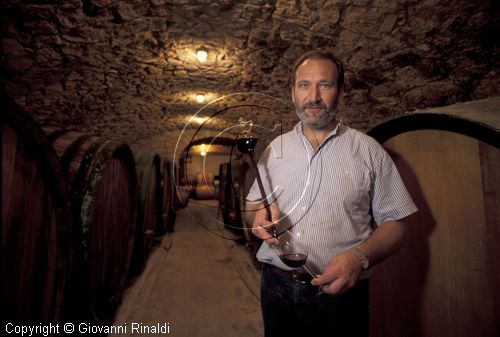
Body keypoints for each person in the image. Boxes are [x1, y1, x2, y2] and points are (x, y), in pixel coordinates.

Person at [245, 50, 418, 337]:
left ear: (341, 93)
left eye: (324, 85)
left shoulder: (368, 151)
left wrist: (360, 257)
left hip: (340, 291)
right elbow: (253, 205)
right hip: (276, 285)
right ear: (292, 93)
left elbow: (398, 224)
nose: (313, 96)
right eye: (304, 85)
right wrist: (257, 216)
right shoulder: (275, 150)